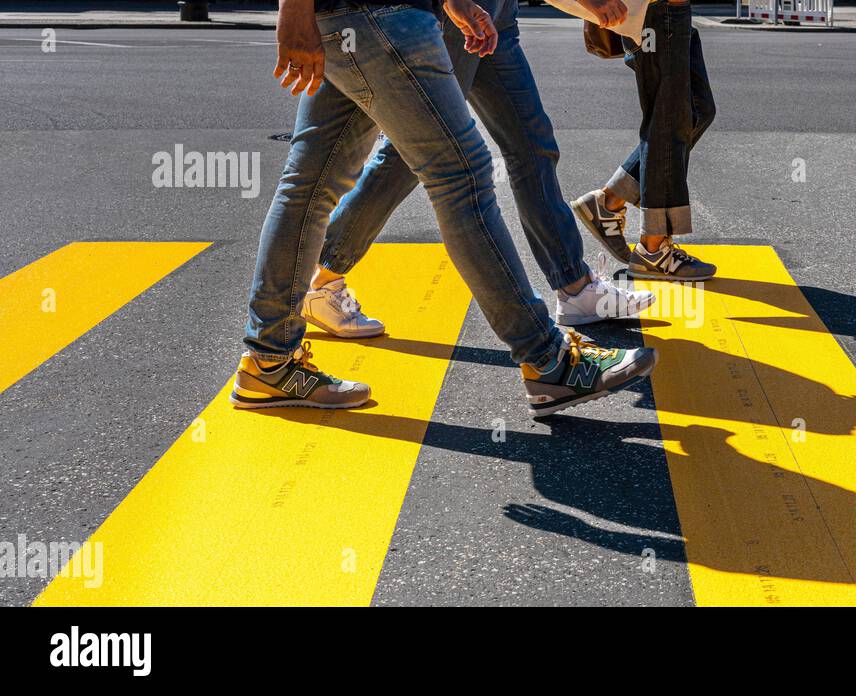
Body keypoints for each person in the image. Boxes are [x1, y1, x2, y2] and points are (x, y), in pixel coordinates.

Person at [234, 0, 656, 418]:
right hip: (381, 17)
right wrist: (292, 11)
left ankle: (269, 362)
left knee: (310, 184)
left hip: (359, 18)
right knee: (462, 177)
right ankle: (549, 360)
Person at [302, 0, 656, 339]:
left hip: (499, 13)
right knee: (407, 155)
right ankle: (321, 277)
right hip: (459, 15)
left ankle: (575, 287)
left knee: (532, 144)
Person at [570, 0, 717, 282]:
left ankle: (608, 202)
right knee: (668, 121)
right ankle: (654, 249)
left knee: (697, 112)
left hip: (674, 13)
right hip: (655, 13)